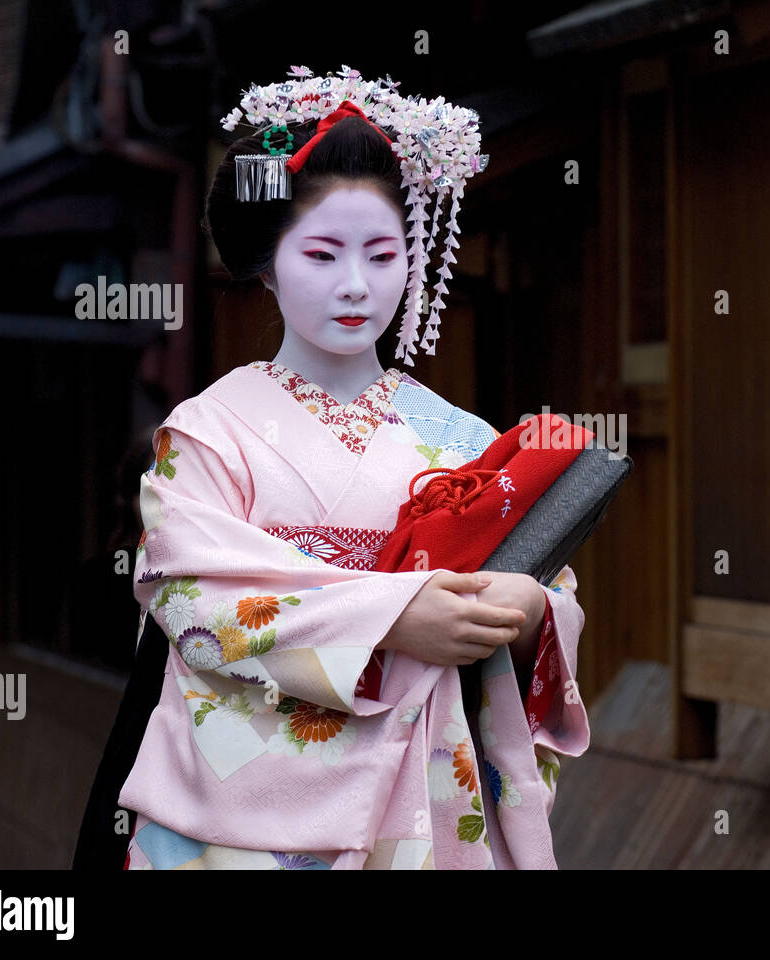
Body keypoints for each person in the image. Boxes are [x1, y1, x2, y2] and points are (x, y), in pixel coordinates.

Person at [115, 69, 590, 870]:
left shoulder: (464, 438)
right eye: (323, 254)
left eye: (383, 253)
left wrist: (532, 612)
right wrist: (395, 617)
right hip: (247, 821)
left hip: (429, 795)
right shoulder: (205, 434)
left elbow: (555, 585)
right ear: (266, 262)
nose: (356, 285)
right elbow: (190, 592)